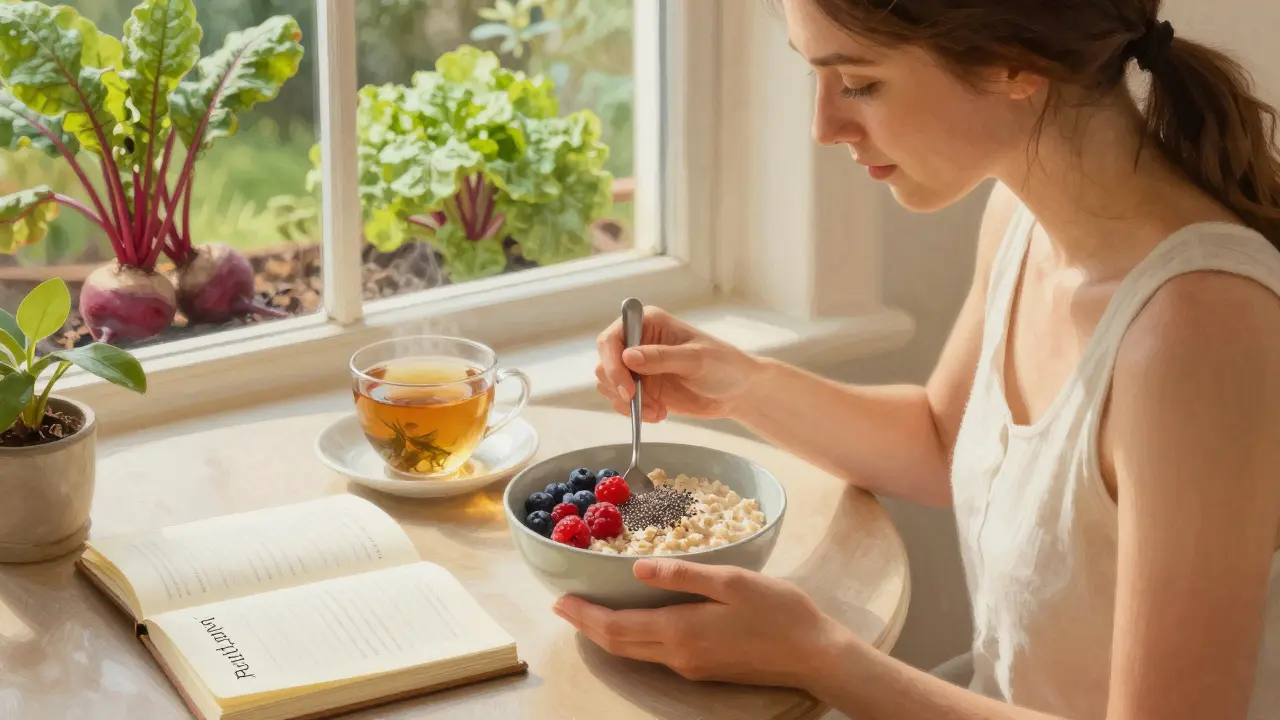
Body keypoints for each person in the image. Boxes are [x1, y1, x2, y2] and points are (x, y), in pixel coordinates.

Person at [550, 1, 1280, 718]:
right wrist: (739, 383)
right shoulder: (1023, 223)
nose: (823, 128)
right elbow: (943, 440)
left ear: (1013, 63)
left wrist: (818, 658)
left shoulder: (1197, 332)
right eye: (815, 77)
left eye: (859, 83)